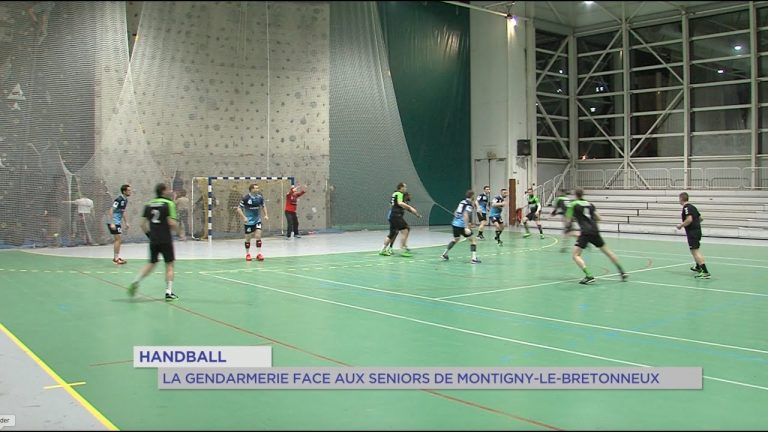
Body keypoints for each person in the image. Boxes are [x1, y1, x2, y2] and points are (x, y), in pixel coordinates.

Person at [128, 183, 184, 301]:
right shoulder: (169, 204)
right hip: (165, 239)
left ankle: (136, 281)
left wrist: (150, 235)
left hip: (154, 239)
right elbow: (171, 222)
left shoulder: (148, 204)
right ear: (163, 191)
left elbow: (142, 224)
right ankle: (168, 292)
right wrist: (180, 232)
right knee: (169, 264)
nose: (169, 191)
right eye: (167, 189)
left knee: (152, 263)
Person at [565, 188, 627, 284]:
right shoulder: (590, 204)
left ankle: (589, 276)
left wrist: (569, 228)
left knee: (575, 255)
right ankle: (622, 272)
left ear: (575, 195)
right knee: (608, 252)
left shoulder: (572, 204)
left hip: (585, 232)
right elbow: (599, 218)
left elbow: (568, 220)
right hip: (595, 230)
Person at [380, 183, 421, 257]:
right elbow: (400, 203)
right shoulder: (399, 194)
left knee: (392, 233)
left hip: (393, 216)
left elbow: (395, 205)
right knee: (405, 230)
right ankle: (402, 250)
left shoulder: (395, 194)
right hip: (396, 216)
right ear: (401, 187)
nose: (406, 188)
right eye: (405, 187)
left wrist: (416, 214)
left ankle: (382, 250)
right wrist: (409, 207)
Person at [676, 192, 711, 279]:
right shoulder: (693, 207)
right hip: (697, 231)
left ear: (681, 198)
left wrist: (680, 226)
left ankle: (705, 272)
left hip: (693, 233)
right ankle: (698, 267)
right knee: (693, 251)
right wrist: (696, 225)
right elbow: (701, 218)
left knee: (695, 251)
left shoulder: (686, 208)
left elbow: (689, 219)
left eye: (679, 199)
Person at [441, 190, 481, 264]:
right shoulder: (469, 204)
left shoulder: (462, 202)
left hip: (455, 224)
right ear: (472, 196)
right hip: (461, 225)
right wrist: (466, 227)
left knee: (456, 239)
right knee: (473, 240)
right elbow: (466, 215)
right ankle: (473, 258)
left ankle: (445, 254)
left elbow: (455, 212)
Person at [236, 183, 269, 261]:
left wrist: (266, 215)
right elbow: (239, 209)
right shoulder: (246, 198)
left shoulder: (260, 197)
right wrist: (244, 217)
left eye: (258, 188)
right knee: (248, 238)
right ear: (251, 189)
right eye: (256, 188)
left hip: (257, 220)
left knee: (258, 236)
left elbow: (263, 206)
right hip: (248, 222)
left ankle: (259, 254)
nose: (257, 189)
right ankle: (247, 254)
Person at [108, 184, 132, 264]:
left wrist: (126, 222)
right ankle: (116, 259)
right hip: (114, 222)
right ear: (124, 191)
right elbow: (111, 210)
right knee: (118, 239)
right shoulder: (118, 199)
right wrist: (112, 222)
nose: (130, 192)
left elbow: (123, 211)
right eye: (128, 190)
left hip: (117, 222)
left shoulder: (125, 200)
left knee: (118, 239)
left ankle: (116, 258)